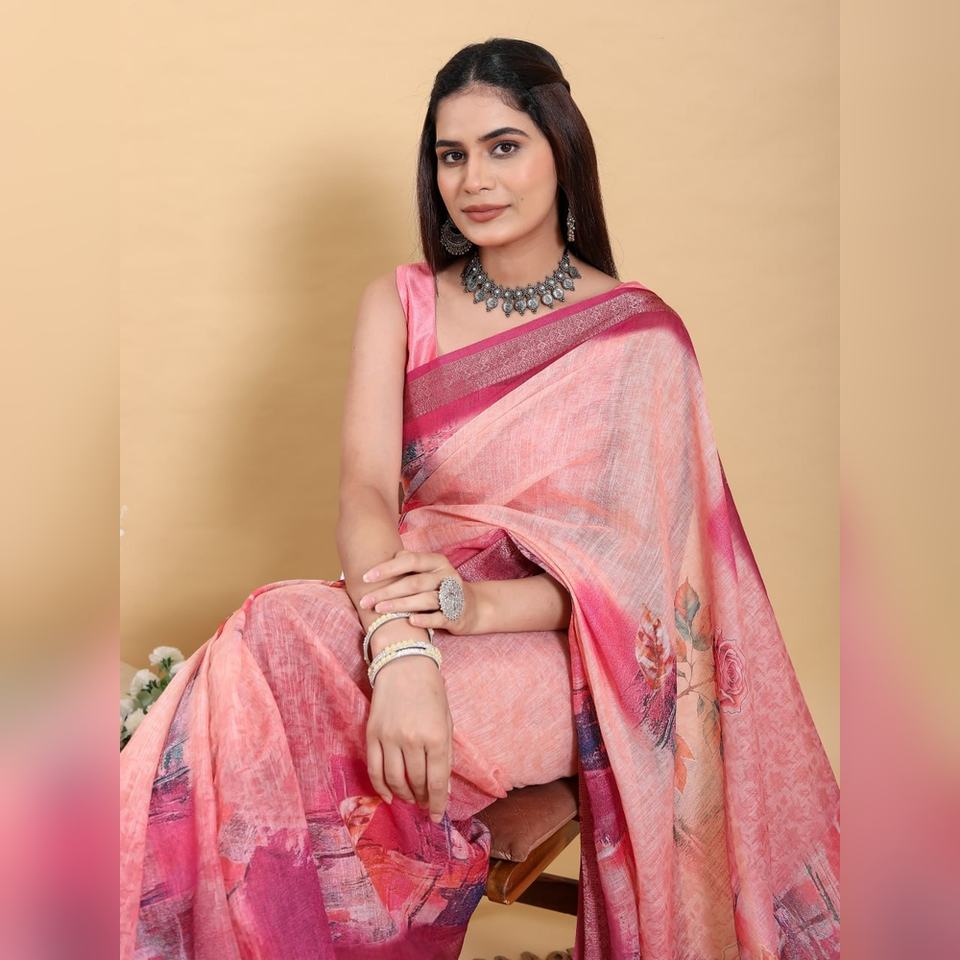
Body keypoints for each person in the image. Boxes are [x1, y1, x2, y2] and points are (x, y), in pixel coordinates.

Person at [121, 37, 840, 960]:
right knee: (271, 632)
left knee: (286, 701)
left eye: (504, 147)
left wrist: (470, 608)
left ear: (561, 151)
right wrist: (402, 646)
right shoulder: (402, 302)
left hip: (553, 654)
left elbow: (642, 589)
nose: (474, 180)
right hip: (404, 598)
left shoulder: (639, 340)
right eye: (451, 155)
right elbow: (365, 492)